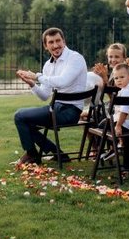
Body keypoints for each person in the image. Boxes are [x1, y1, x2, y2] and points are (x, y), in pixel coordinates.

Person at [14, 28, 88, 165]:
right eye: (51, 42)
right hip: (55, 109)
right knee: (25, 121)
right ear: (45, 46)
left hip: (71, 112)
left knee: (20, 116)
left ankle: (32, 155)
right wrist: (32, 84)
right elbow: (44, 95)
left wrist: (37, 76)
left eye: (58, 41)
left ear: (64, 41)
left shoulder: (75, 58)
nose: (55, 45)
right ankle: (57, 153)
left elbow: (63, 81)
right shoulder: (48, 65)